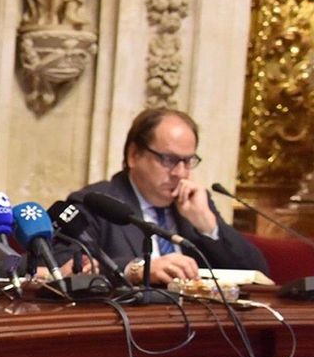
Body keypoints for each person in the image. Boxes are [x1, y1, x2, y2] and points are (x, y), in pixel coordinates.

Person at [68, 107, 267, 285]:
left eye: (188, 161)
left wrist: (208, 225)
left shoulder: (194, 203)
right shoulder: (96, 202)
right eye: (169, 160)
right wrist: (138, 269)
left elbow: (259, 273)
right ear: (134, 155)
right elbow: (66, 264)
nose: (180, 172)